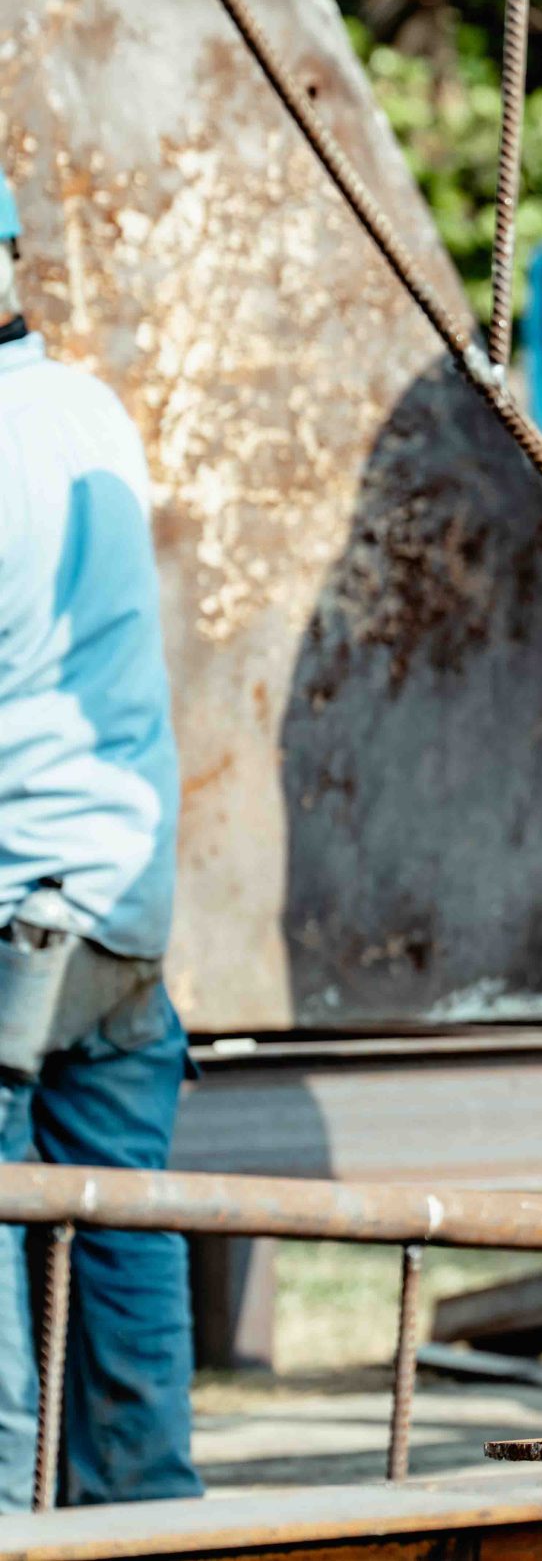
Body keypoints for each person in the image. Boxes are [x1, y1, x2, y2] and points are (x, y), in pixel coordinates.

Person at [0, 170, 200, 1508]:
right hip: (121, 902)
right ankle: (152, 1521)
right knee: (121, 1241)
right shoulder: (85, 408)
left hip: (15, 903)